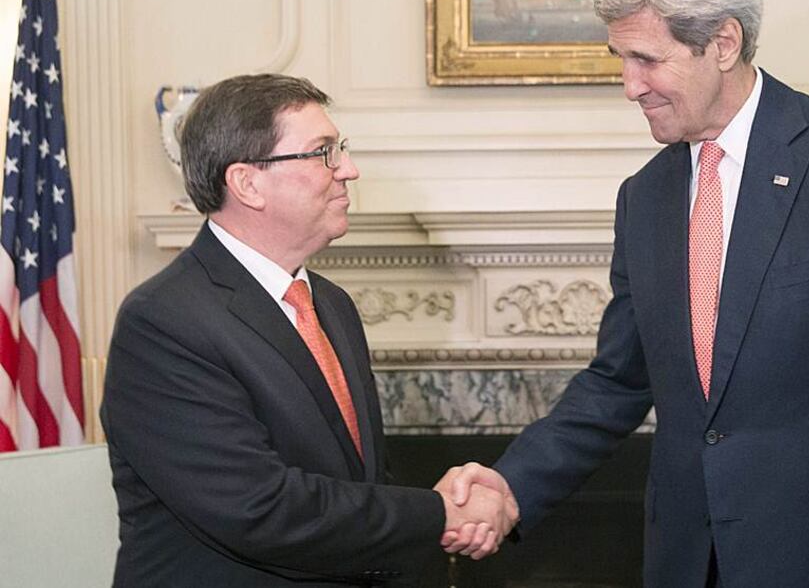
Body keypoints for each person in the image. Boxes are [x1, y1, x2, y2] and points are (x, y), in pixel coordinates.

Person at [445, 0, 809, 587]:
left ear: (722, 43)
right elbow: (617, 380)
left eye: (646, 59)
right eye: (620, 58)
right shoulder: (645, 196)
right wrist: (509, 485)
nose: (628, 86)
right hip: (686, 563)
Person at [101, 74, 513, 587]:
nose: (349, 170)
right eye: (323, 153)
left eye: (340, 149)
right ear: (248, 183)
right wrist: (438, 513)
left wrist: (441, 511)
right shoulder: (164, 323)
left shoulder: (331, 305)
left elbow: (353, 479)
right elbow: (261, 509)